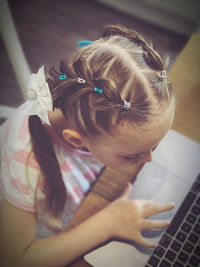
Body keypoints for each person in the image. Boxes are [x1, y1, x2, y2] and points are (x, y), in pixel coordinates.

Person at [0, 25, 175, 266]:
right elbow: (14, 260)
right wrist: (107, 224)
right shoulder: (26, 164)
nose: (149, 160)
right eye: (131, 155)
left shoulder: (100, 118)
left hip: (88, 198)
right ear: (76, 140)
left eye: (155, 146)